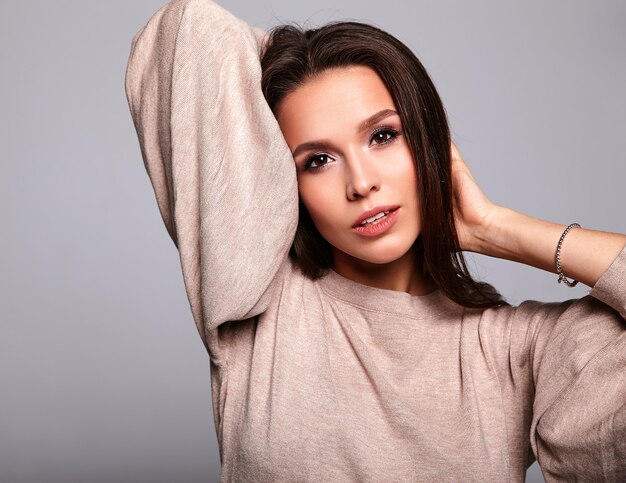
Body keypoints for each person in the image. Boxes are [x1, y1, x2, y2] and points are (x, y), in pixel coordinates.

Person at [125, 0, 626, 481]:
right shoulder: (261, 306)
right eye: (317, 160)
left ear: (429, 141)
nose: (361, 183)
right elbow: (188, 30)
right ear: (281, 181)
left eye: (383, 136)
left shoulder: (517, 350)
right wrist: (291, 61)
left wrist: (497, 228)